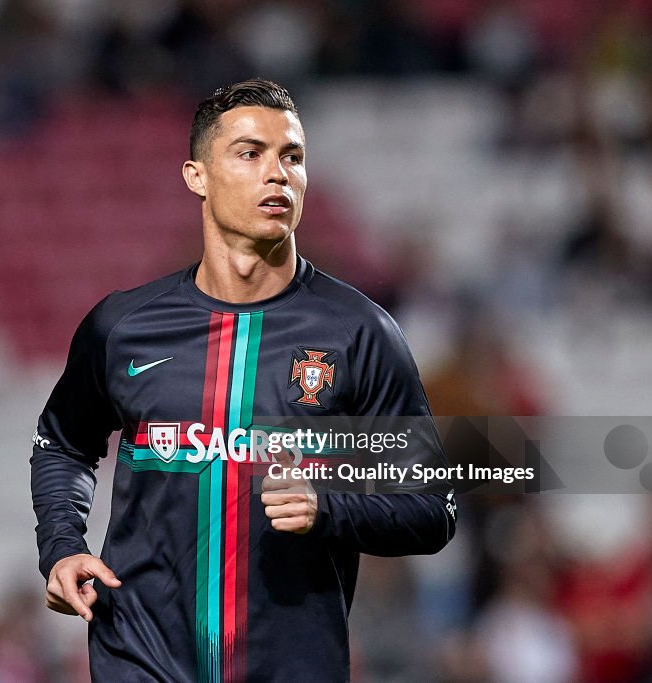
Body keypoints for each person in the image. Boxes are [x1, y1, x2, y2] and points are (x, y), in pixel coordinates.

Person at [30, 79, 456, 682]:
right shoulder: (123, 326)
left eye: (293, 157)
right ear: (196, 176)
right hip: (139, 657)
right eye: (250, 154)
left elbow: (431, 508)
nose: (278, 173)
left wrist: (329, 508)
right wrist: (63, 545)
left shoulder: (360, 333)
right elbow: (63, 444)